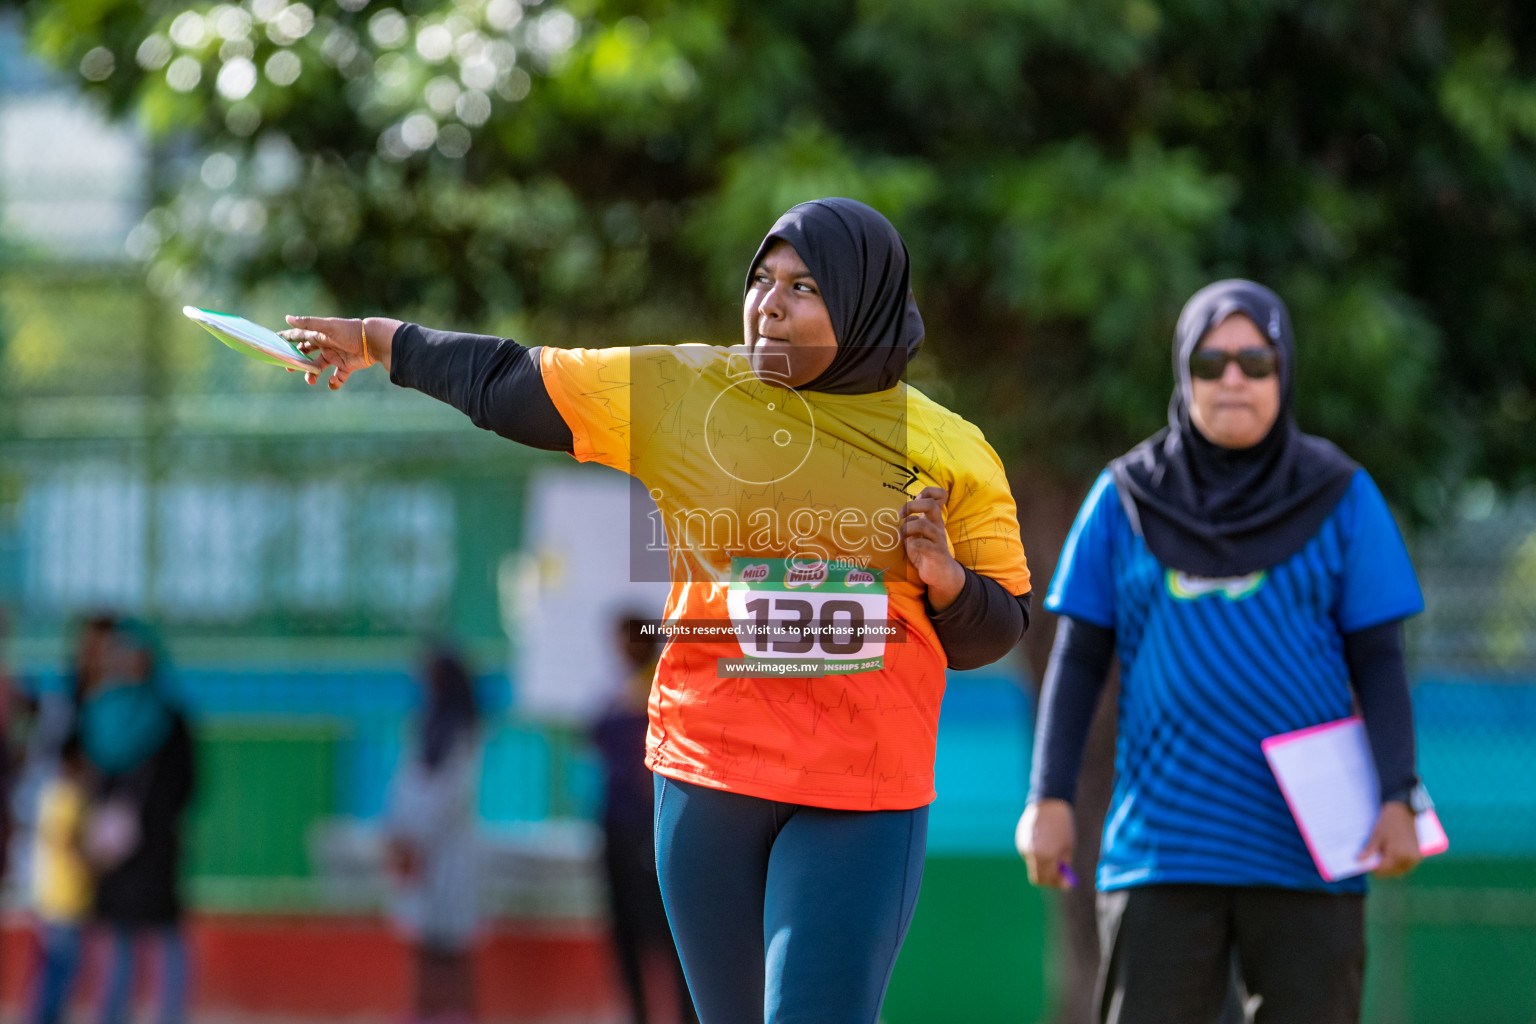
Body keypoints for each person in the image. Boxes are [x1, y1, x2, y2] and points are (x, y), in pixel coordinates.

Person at [281, 197, 1032, 1022]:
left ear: (865, 302)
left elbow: (997, 630)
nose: (769, 304)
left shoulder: (952, 449)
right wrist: (375, 340)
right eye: (762, 280)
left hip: (860, 793)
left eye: (805, 286)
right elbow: (509, 379)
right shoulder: (685, 389)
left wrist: (950, 582)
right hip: (711, 775)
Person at [1015, 280, 1426, 1024]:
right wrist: (1048, 798)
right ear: (1183, 373)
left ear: (1284, 372)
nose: (1232, 378)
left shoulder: (1342, 495)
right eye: (1210, 363)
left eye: (1254, 361)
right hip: (1162, 849)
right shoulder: (1124, 498)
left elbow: (1380, 659)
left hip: (1310, 852)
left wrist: (1398, 793)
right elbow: (1076, 659)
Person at [80, 620, 195, 1024]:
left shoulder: (169, 718)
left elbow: (187, 782)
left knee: (164, 936)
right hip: (116, 845)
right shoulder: (100, 712)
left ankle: (171, 1014)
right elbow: (89, 780)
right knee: (119, 939)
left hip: (155, 843)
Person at [590, 615, 697, 1024]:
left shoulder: (660, 692)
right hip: (620, 828)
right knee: (629, 931)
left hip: (650, 827)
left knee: (672, 932)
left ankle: (685, 1014)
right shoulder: (621, 694)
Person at [383, 648, 483, 1024]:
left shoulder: (462, 729)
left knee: (453, 941)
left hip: (448, 848)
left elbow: (451, 794)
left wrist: (419, 837)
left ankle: (457, 1012)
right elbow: (407, 784)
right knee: (422, 937)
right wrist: (400, 835)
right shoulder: (425, 725)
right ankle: (423, 1011)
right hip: (418, 847)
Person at [29, 731, 92, 1024]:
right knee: (61, 967)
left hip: (47, 892)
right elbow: (68, 841)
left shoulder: (49, 793)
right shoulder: (71, 796)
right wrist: (95, 861)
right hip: (65, 895)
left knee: (51, 965)